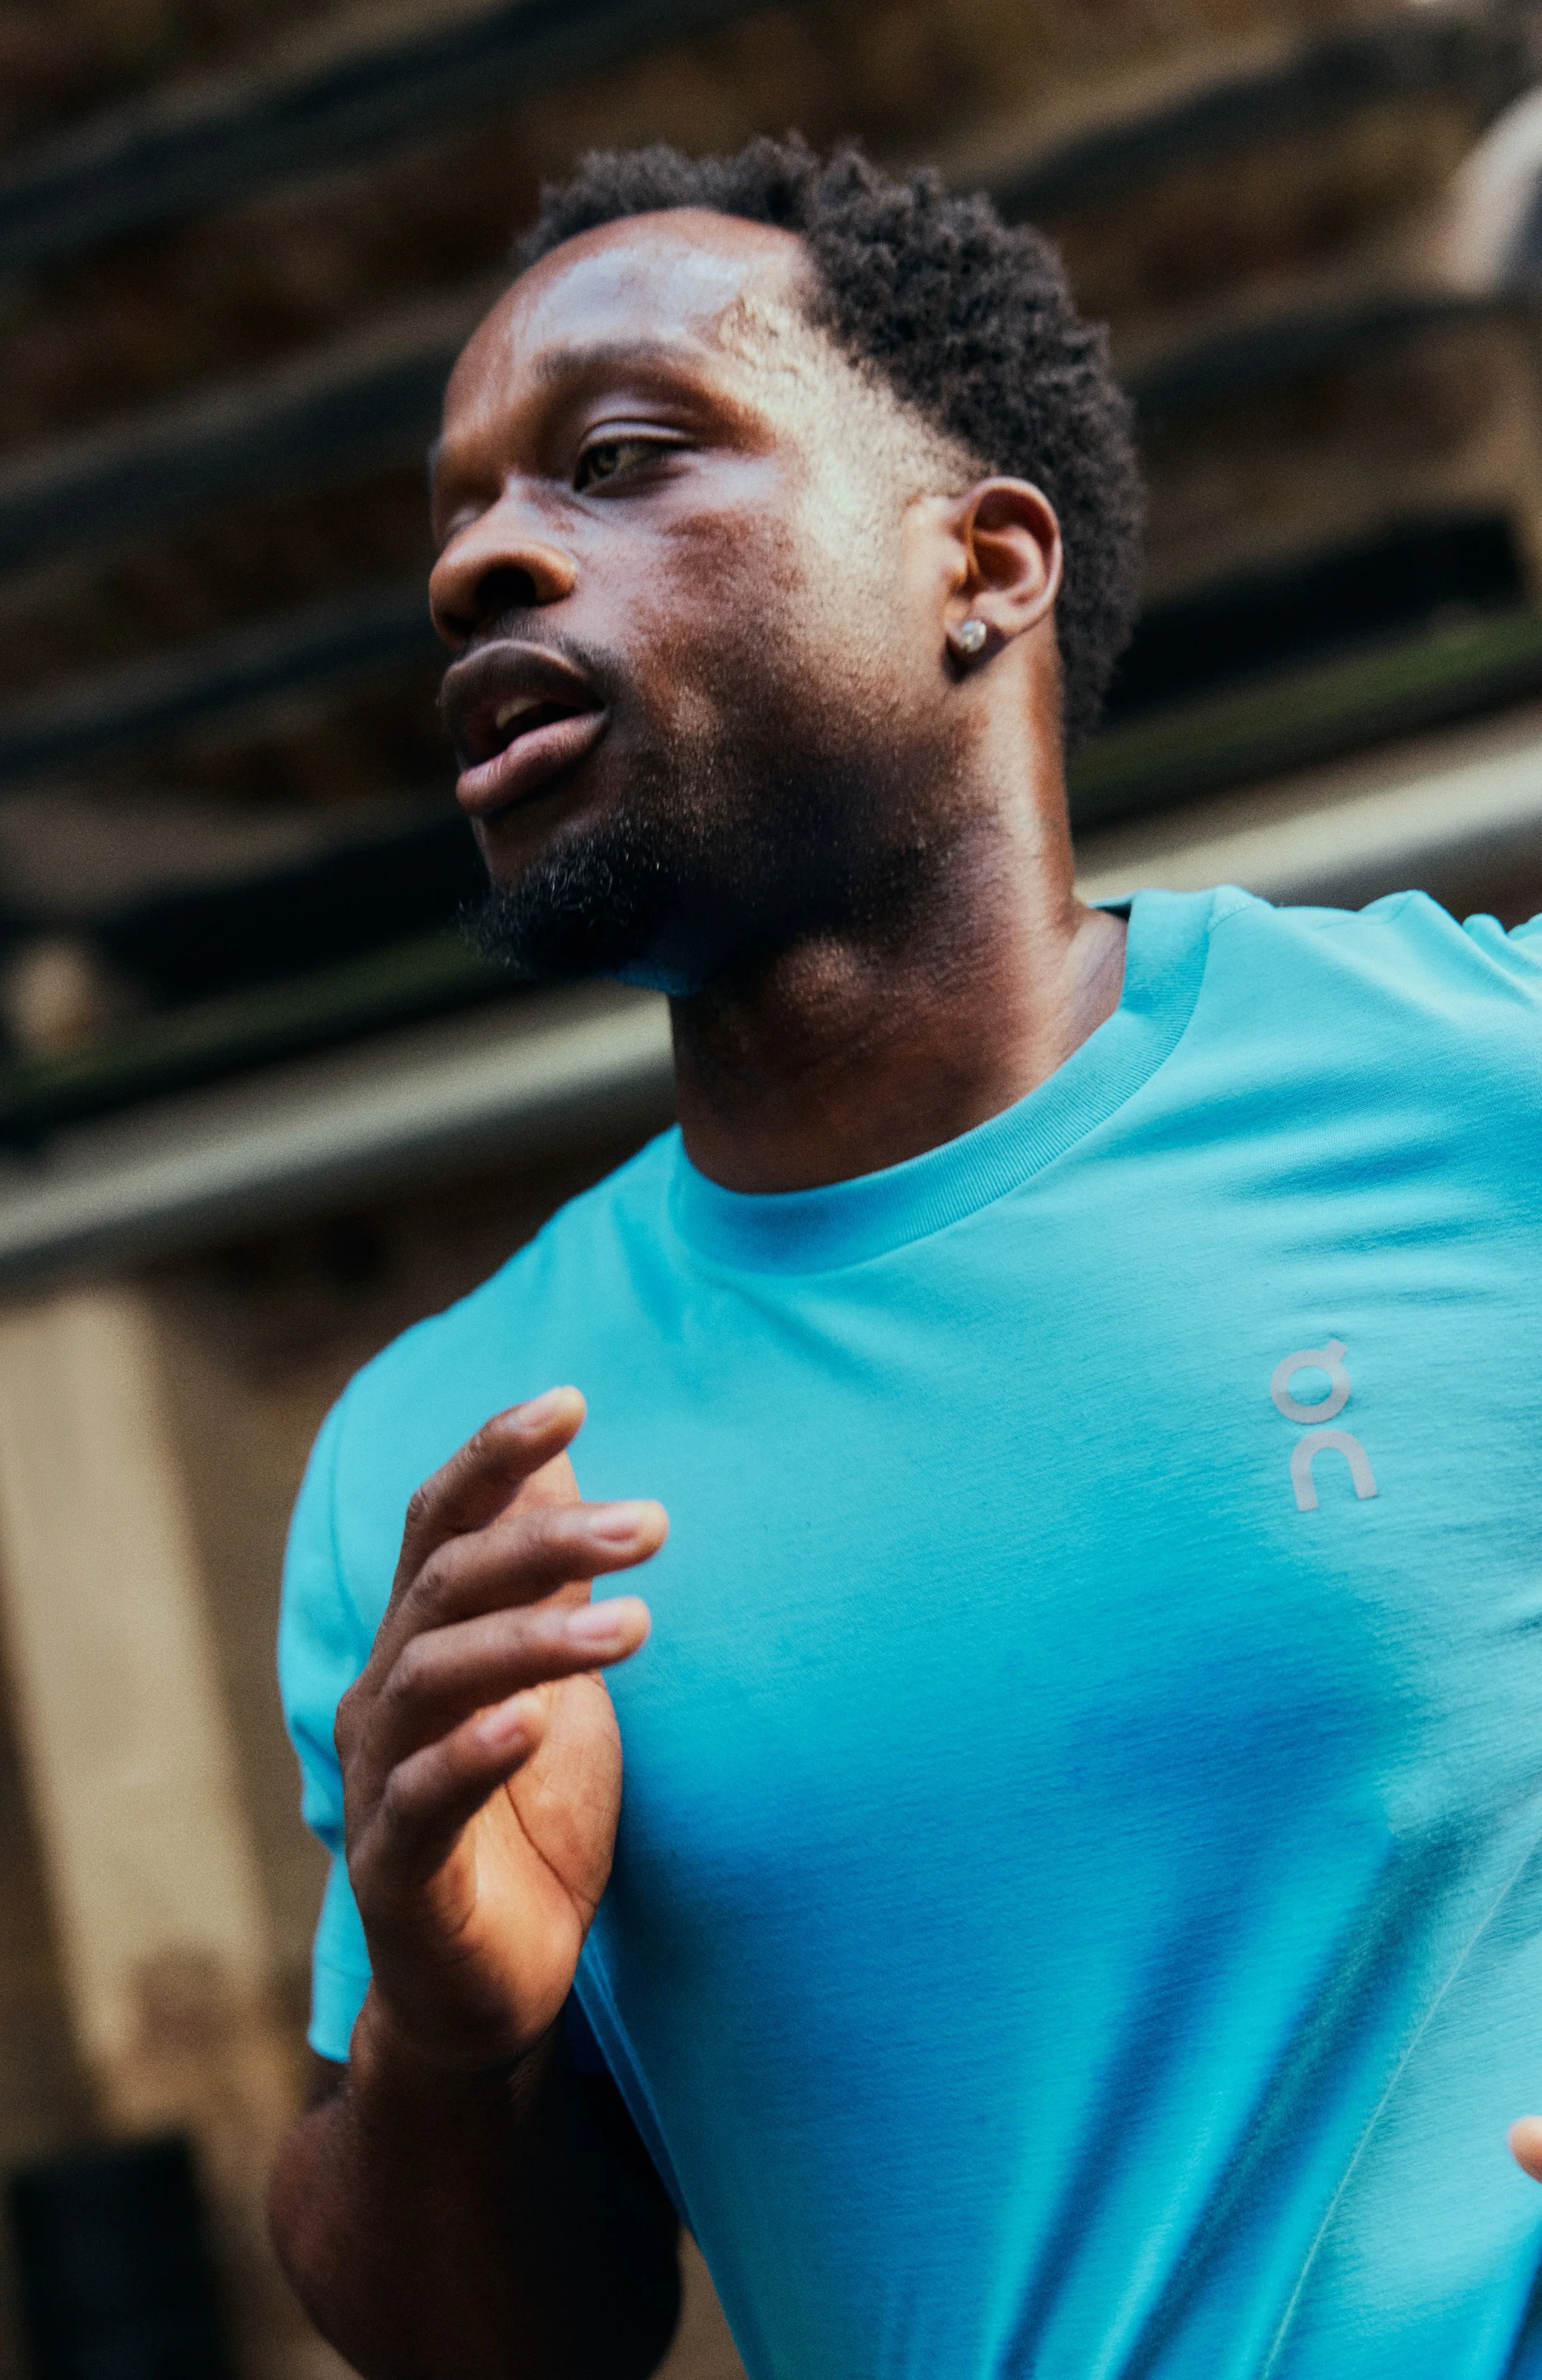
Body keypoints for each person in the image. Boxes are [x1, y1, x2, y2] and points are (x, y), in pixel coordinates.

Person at [267, 138, 1542, 2378]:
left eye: (619, 457)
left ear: (982, 557)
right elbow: (503, 2343)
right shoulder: (446, 1475)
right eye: (456, 518)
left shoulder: (1482, 1087)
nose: (481, 559)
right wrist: (458, 2044)